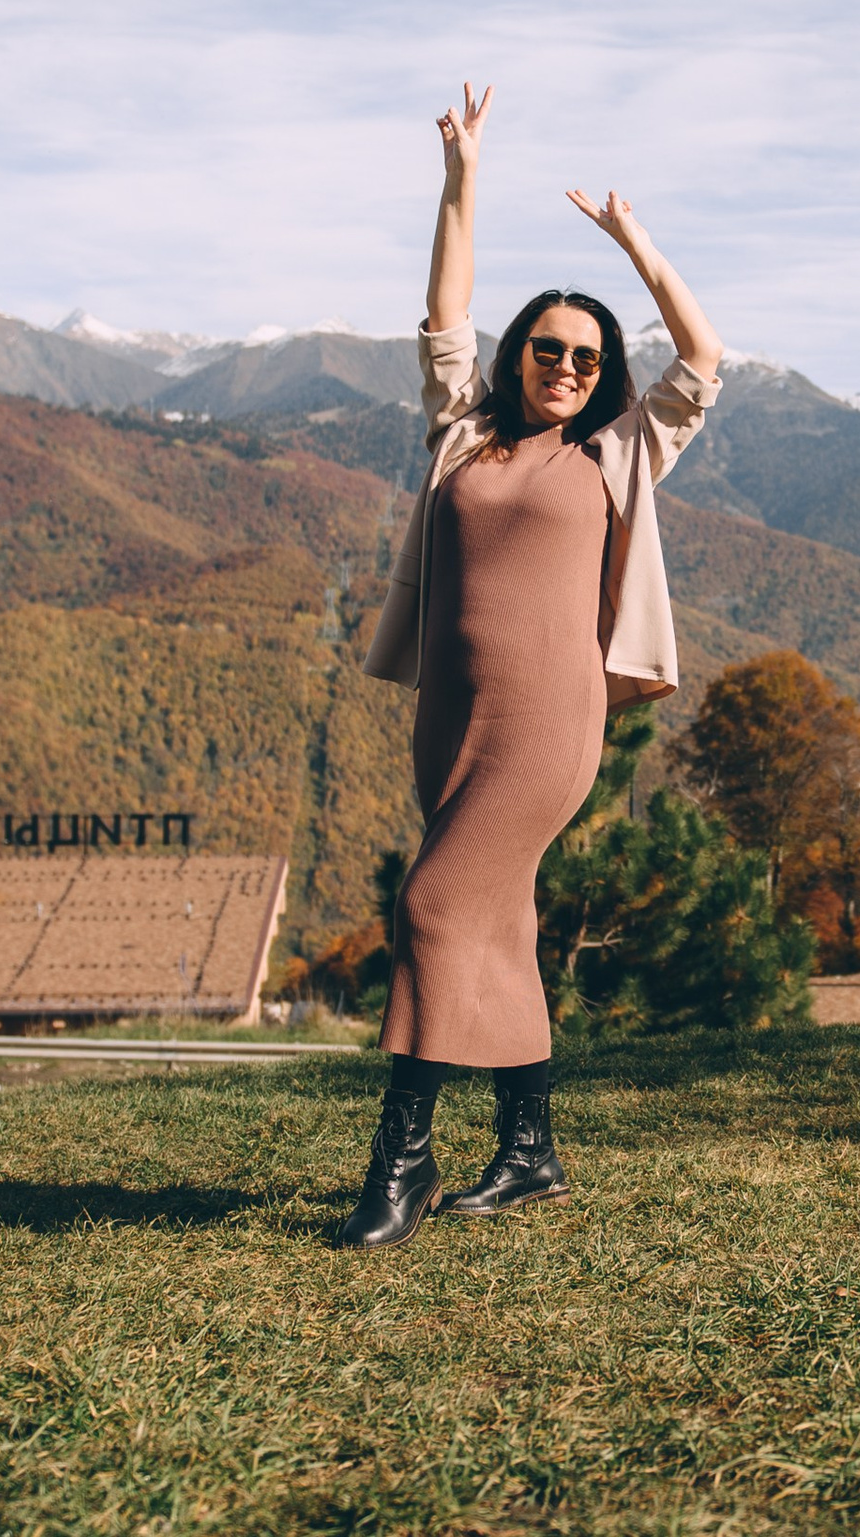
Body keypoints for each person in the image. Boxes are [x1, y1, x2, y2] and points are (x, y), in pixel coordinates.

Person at [336, 84, 724, 1251]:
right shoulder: (463, 428)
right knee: (493, 925)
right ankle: (530, 1152)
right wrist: (459, 178)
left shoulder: (618, 448)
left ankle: (400, 1168)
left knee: (431, 905)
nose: (562, 364)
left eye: (583, 354)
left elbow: (704, 359)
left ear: (602, 372)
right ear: (521, 357)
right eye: (546, 348)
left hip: (547, 726)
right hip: (451, 717)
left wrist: (634, 246)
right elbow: (440, 313)